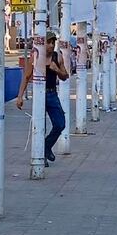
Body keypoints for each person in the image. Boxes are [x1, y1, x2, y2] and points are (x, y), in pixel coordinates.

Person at [15, 34, 70, 164]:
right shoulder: (35, 56)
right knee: (40, 126)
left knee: (60, 124)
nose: (51, 45)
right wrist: (20, 96)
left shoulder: (57, 57)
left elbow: (65, 76)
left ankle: (45, 147)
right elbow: (26, 76)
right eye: (48, 42)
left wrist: (57, 69)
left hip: (52, 94)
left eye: (53, 43)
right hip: (39, 95)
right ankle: (41, 157)